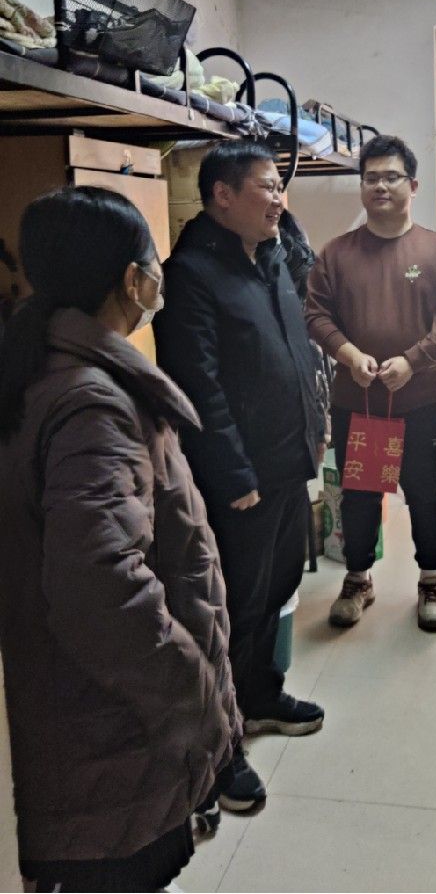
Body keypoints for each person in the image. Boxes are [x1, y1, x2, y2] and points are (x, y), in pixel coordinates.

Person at [0, 186, 240, 892]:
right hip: (115, 731)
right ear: (134, 280)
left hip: (89, 716)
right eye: (154, 264)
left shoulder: (42, 367)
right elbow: (99, 586)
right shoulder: (93, 402)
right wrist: (194, 693)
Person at [154, 140, 328, 816]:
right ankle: (219, 745)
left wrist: (314, 433)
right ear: (222, 196)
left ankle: (259, 695)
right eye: (265, 186)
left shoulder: (271, 260)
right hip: (242, 478)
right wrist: (232, 472)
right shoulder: (192, 276)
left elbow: (295, 356)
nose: (279, 199)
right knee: (229, 608)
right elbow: (197, 385)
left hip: (287, 464)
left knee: (276, 589)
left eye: (280, 186)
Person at [305, 135, 436, 632]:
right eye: (370, 177)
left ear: (412, 185)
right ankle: (358, 579)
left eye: (391, 177)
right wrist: (348, 353)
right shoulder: (336, 254)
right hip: (358, 403)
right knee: (359, 493)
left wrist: (413, 361)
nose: (380, 186)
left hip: (420, 402)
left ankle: (431, 579)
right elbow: (315, 314)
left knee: (425, 493)